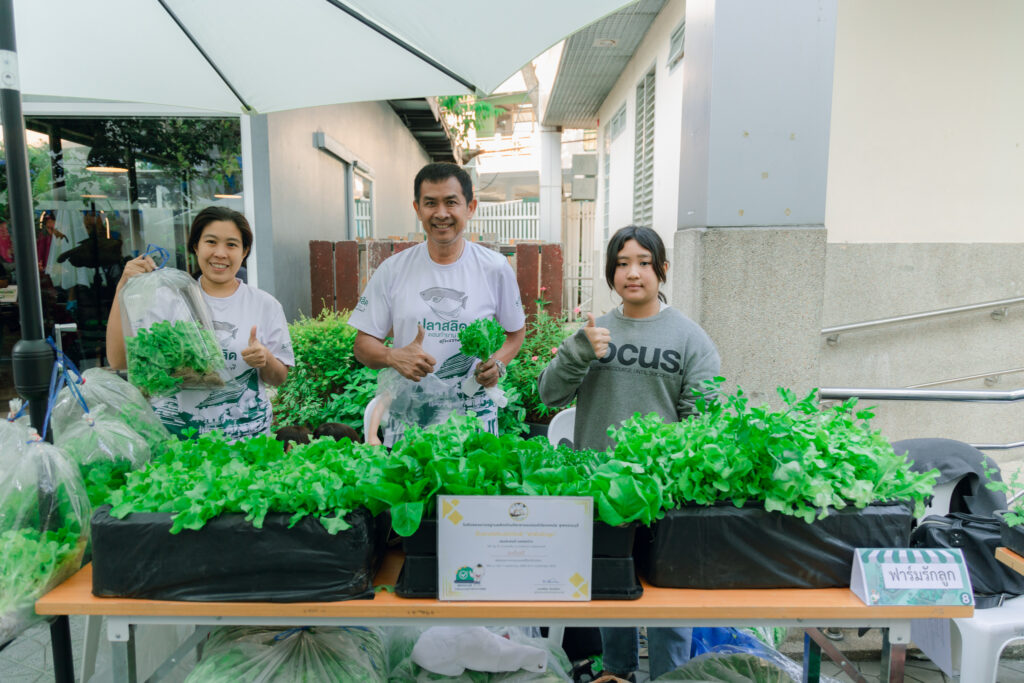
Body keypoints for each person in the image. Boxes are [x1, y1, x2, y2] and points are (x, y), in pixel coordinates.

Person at [538, 225, 721, 681]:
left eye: (643, 262)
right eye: (622, 264)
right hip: (602, 490)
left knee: (670, 599)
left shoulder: (689, 338)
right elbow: (549, 395)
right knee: (611, 593)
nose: (632, 273)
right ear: (610, 272)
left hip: (666, 492)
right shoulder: (594, 331)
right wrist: (577, 353)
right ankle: (617, 672)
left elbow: (703, 421)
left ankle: (669, 676)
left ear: (662, 269)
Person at [349, 163, 525, 445]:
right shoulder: (393, 270)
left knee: (474, 474)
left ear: (470, 208)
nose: (441, 213)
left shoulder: (494, 268)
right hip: (410, 421)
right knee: (410, 475)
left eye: (451, 202)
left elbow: (516, 333)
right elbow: (362, 345)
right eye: (430, 203)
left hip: (474, 420)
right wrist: (392, 356)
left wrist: (498, 364)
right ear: (417, 209)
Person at [105, 206, 294, 440]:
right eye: (211, 242)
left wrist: (265, 358)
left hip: (246, 440)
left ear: (244, 251)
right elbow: (119, 360)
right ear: (196, 246)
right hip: (177, 442)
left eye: (232, 244)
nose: (220, 253)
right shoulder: (165, 299)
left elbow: (279, 378)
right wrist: (123, 286)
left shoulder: (264, 304)